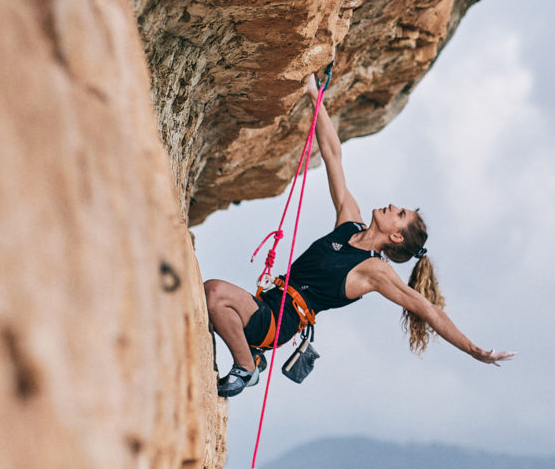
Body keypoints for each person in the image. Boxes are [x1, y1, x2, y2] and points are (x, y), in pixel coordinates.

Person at [204, 73, 515, 397]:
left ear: (396, 237)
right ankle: (249, 356)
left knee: (214, 293)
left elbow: (429, 310)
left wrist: (475, 350)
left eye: (400, 214)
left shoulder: (374, 271)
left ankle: (247, 369)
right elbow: (332, 156)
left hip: (279, 321)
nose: (393, 205)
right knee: (212, 297)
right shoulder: (350, 223)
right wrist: (314, 94)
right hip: (267, 302)